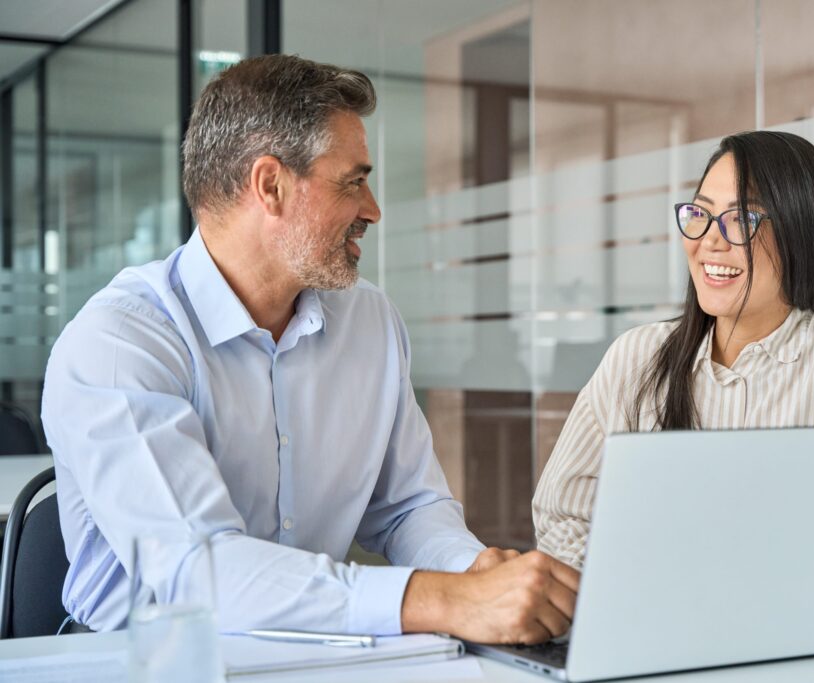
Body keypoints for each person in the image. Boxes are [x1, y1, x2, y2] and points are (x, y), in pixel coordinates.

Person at [42, 54, 578, 644]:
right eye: (353, 181)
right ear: (270, 185)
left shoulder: (369, 321)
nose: (372, 209)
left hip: (317, 651)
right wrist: (446, 600)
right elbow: (199, 573)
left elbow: (407, 507)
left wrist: (474, 573)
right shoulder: (120, 343)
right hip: (145, 660)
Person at [533, 131, 814, 587]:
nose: (710, 241)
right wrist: (651, 580)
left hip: (793, 627)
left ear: (801, 230)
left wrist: (749, 576)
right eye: (700, 213)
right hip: (654, 626)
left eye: (741, 219)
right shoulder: (635, 358)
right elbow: (562, 517)